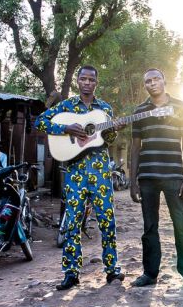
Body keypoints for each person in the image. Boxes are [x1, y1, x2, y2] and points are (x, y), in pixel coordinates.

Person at [35, 65, 125, 290]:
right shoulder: (67, 106)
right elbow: (40, 122)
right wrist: (66, 128)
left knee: (107, 220)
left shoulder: (104, 108)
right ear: (78, 81)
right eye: (83, 79)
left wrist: (115, 127)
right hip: (75, 172)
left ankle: (112, 270)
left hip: (101, 171)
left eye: (91, 80)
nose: (87, 83)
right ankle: (71, 273)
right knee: (72, 222)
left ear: (96, 82)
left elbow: (109, 139)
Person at [129, 68, 183, 288]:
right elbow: (135, 147)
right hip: (147, 177)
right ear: (145, 86)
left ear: (164, 81)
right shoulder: (140, 111)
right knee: (150, 227)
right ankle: (150, 273)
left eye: (156, 78)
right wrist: (133, 182)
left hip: (174, 176)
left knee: (181, 225)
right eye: (148, 81)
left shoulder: (181, 106)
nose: (152, 83)